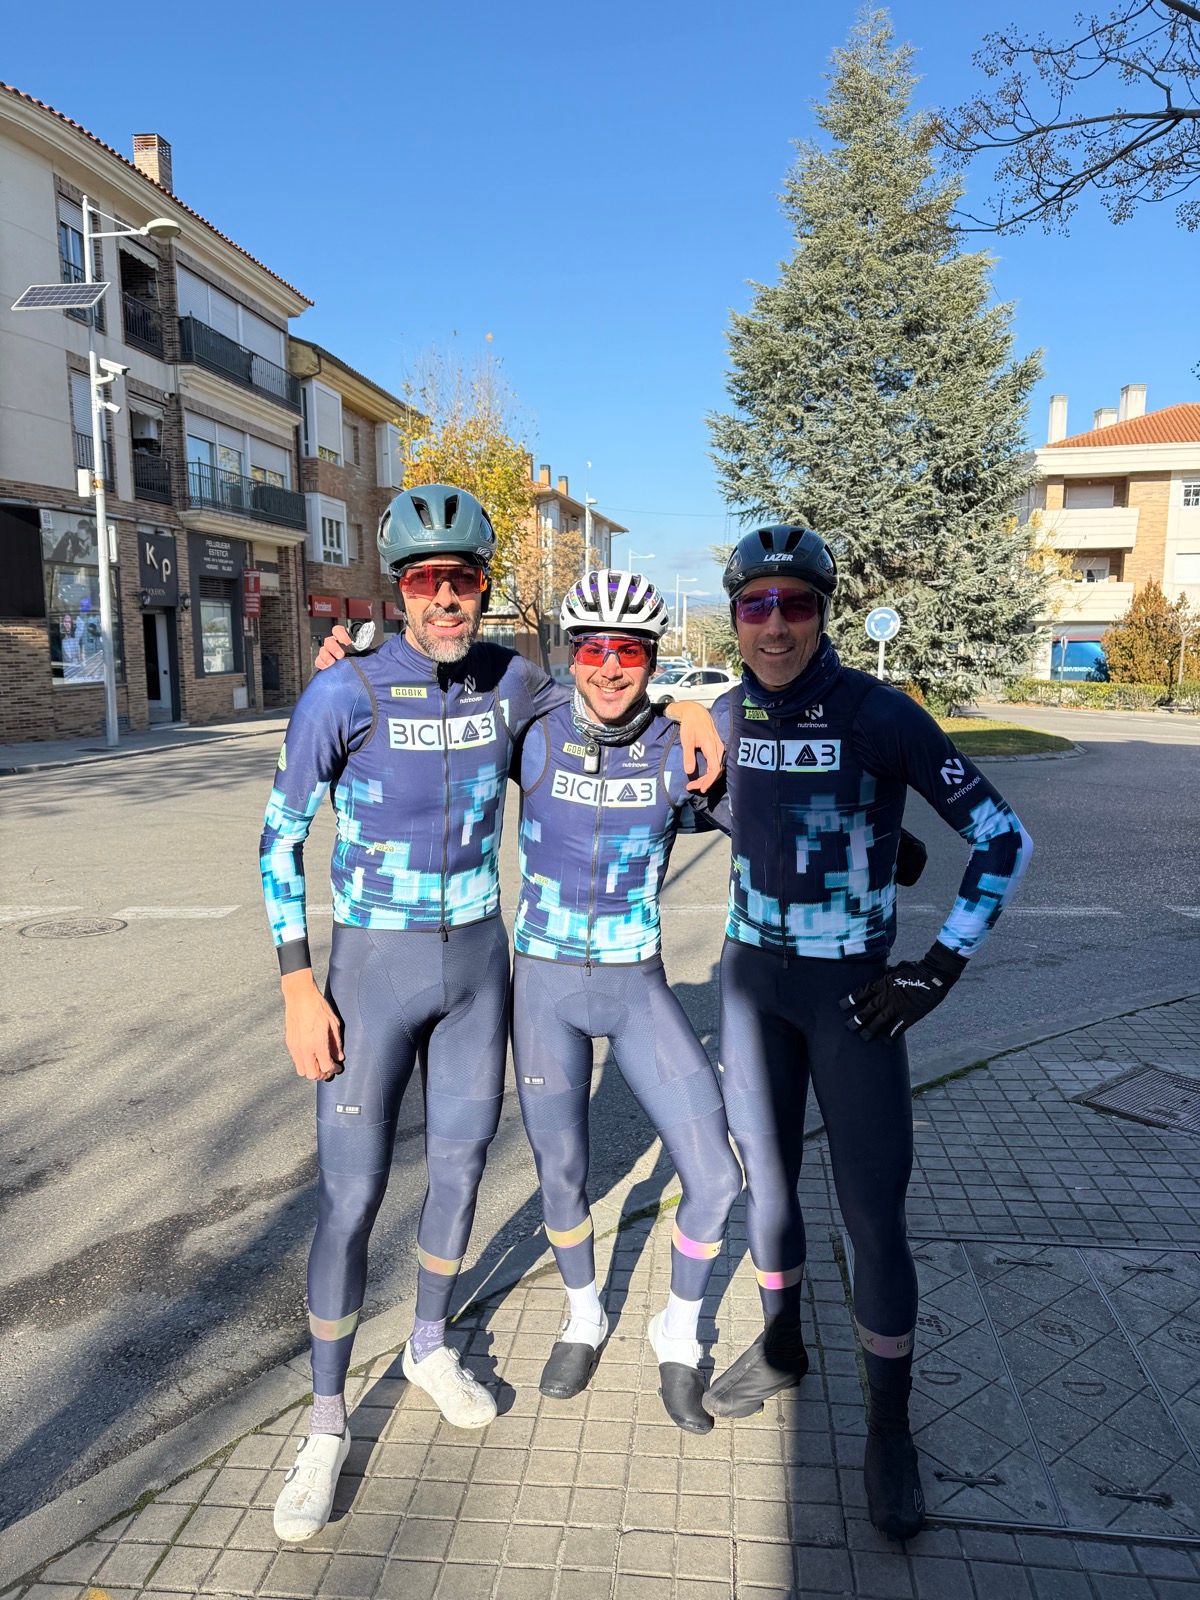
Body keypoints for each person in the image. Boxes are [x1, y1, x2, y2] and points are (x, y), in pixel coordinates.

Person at [260, 487, 719, 1542]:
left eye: (462, 578)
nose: (445, 598)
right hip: (369, 969)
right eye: (425, 580)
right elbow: (278, 838)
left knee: (462, 1170)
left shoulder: (514, 683)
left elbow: (615, 694)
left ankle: (428, 1344)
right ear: (399, 589)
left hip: (477, 966)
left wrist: (694, 709)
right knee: (352, 1197)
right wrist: (295, 982)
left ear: (482, 586)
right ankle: (325, 1422)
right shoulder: (344, 692)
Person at [697, 526, 1032, 1541]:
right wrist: (879, 843)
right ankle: (783, 1347)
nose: (775, 627)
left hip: (854, 998)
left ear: (825, 613)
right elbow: (726, 805)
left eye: (796, 605)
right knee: (767, 1189)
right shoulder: (722, 714)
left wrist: (939, 967)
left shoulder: (881, 712)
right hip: (752, 987)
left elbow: (1005, 838)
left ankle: (890, 1426)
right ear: (734, 617)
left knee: (872, 1218)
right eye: (756, 606)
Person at [511, 570, 743, 1432]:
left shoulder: (678, 747)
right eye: (595, 648)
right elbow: (428, 705)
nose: (610, 666)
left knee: (715, 1176)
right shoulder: (530, 724)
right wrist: (347, 664)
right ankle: (583, 1315)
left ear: (653, 657)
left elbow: (766, 824)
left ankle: (677, 1332)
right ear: (572, 653)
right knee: (561, 1170)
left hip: (635, 984)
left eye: (631, 650)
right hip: (542, 986)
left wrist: (875, 844)